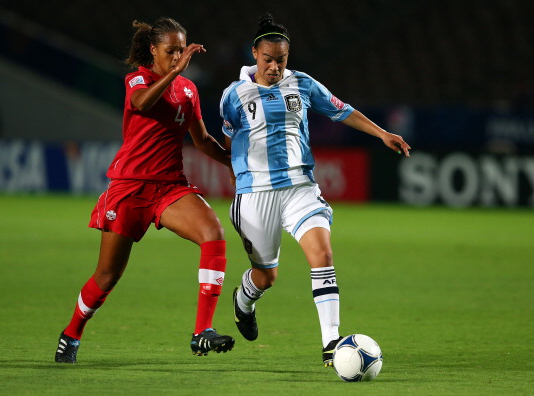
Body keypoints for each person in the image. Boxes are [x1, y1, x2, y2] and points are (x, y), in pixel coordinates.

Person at [220, 14, 411, 367]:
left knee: (322, 256)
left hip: (300, 188)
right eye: (268, 59)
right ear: (255, 54)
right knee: (266, 276)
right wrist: (239, 178)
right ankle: (244, 302)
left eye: (281, 59)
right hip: (256, 194)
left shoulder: (303, 85)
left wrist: (382, 132)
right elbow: (232, 139)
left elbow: (343, 111)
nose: (275, 67)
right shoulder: (233, 95)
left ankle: (331, 343)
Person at [55, 17, 235, 364]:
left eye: (182, 51)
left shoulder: (188, 90)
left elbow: (201, 140)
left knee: (213, 233)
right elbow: (141, 103)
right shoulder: (138, 78)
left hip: (169, 188)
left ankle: (202, 333)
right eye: (171, 51)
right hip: (129, 188)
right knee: (107, 275)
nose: (178, 57)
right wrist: (174, 72)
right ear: (153, 50)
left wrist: (231, 164)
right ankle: (72, 332)